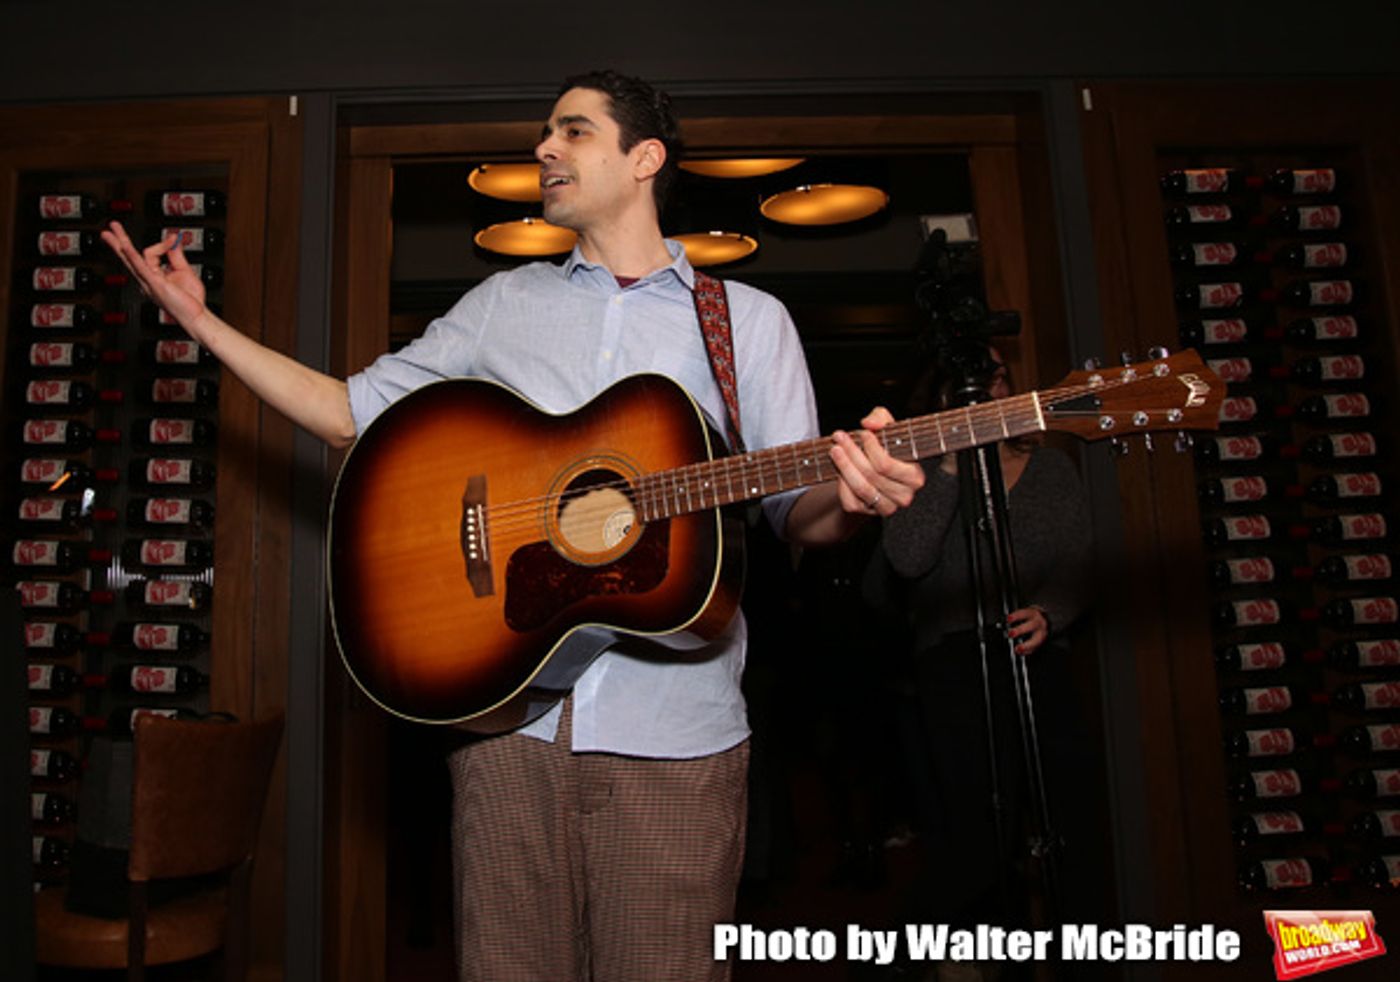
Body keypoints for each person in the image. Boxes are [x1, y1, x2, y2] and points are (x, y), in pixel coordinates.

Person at [103, 69, 925, 982]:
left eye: (572, 132)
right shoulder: (504, 304)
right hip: (506, 733)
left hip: (675, 742)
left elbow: (793, 514)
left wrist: (849, 497)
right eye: (546, 132)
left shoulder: (748, 323)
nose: (544, 149)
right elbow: (349, 411)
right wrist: (199, 322)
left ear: (644, 158)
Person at [874, 342, 1092, 951]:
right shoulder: (917, 471)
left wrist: (1052, 612)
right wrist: (947, 463)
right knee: (976, 845)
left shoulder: (1050, 468)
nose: (989, 391)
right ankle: (897, 957)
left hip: (1038, 659)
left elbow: (1078, 560)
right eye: (971, 380)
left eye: (996, 378)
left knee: (1069, 830)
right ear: (943, 395)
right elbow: (908, 560)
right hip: (955, 667)